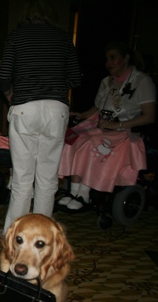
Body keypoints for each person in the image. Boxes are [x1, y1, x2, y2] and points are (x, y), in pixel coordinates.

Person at [0, 0, 81, 233]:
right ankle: (41, 234)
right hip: (56, 110)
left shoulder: (16, 37)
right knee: (47, 179)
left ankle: (14, 233)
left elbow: (3, 76)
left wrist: (10, 94)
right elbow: (75, 79)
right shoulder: (64, 38)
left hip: (25, 107)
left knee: (22, 179)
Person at [58, 42, 155, 210]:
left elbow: (149, 116)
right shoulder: (107, 82)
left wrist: (117, 124)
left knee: (91, 143)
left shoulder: (142, 81)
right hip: (103, 126)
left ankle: (84, 193)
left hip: (125, 130)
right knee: (72, 138)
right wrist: (82, 115)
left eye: (113, 58)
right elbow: (99, 107)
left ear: (126, 58)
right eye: (107, 59)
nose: (109, 63)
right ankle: (74, 191)